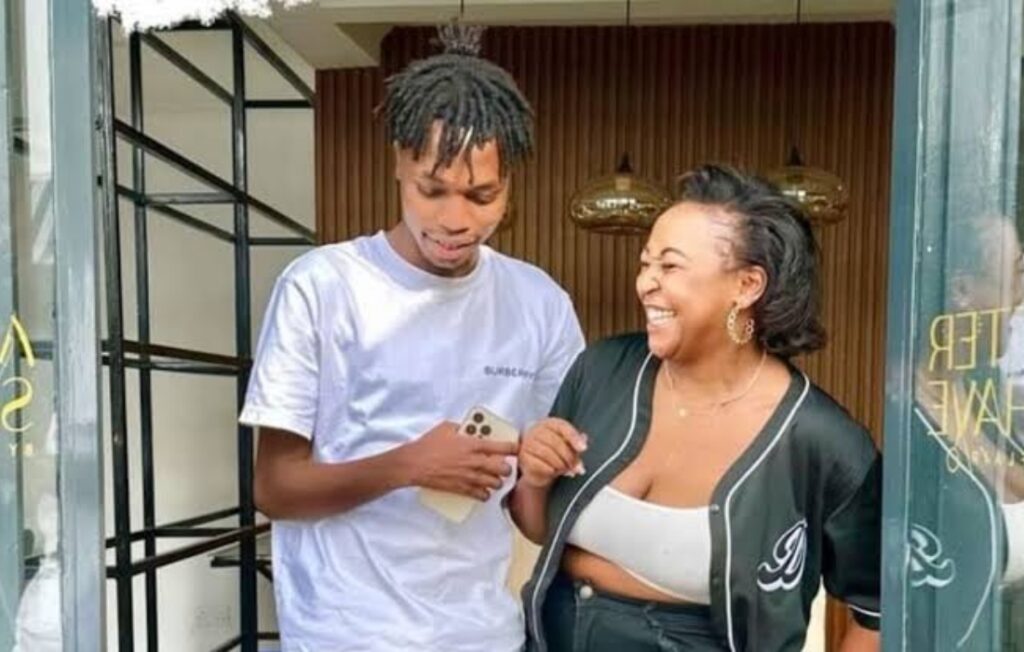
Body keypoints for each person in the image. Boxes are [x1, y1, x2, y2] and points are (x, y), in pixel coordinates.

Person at [240, 25, 584, 651]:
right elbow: (275, 489)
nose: (455, 220)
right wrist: (410, 464)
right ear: (400, 161)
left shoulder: (540, 304)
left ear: (509, 185)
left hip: (482, 635)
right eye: (432, 189)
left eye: (482, 196)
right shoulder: (321, 287)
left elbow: (534, 516)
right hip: (345, 634)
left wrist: (541, 467)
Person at [510, 164, 881, 651]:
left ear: (747, 285)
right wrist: (535, 478)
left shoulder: (819, 439)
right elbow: (539, 528)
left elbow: (877, 611)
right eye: (645, 264)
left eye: (670, 266)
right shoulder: (602, 371)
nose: (646, 283)